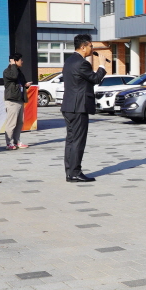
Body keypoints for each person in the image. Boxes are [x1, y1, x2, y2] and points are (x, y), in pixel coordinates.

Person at [61, 34, 107, 183]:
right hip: (78, 106)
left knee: (71, 140)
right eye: (90, 46)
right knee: (78, 141)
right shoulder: (82, 63)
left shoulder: (69, 60)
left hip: (69, 105)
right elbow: (95, 79)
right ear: (83, 46)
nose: (92, 49)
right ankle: (75, 172)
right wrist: (102, 65)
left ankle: (70, 172)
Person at [1, 52, 31, 151]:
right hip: (12, 100)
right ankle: (9, 143)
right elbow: (13, 77)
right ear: (15, 61)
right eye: (20, 60)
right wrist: (13, 64)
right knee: (12, 123)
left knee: (19, 122)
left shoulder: (18, 71)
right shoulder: (7, 71)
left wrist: (26, 85)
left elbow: (22, 82)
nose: (22, 62)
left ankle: (16, 141)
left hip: (19, 99)